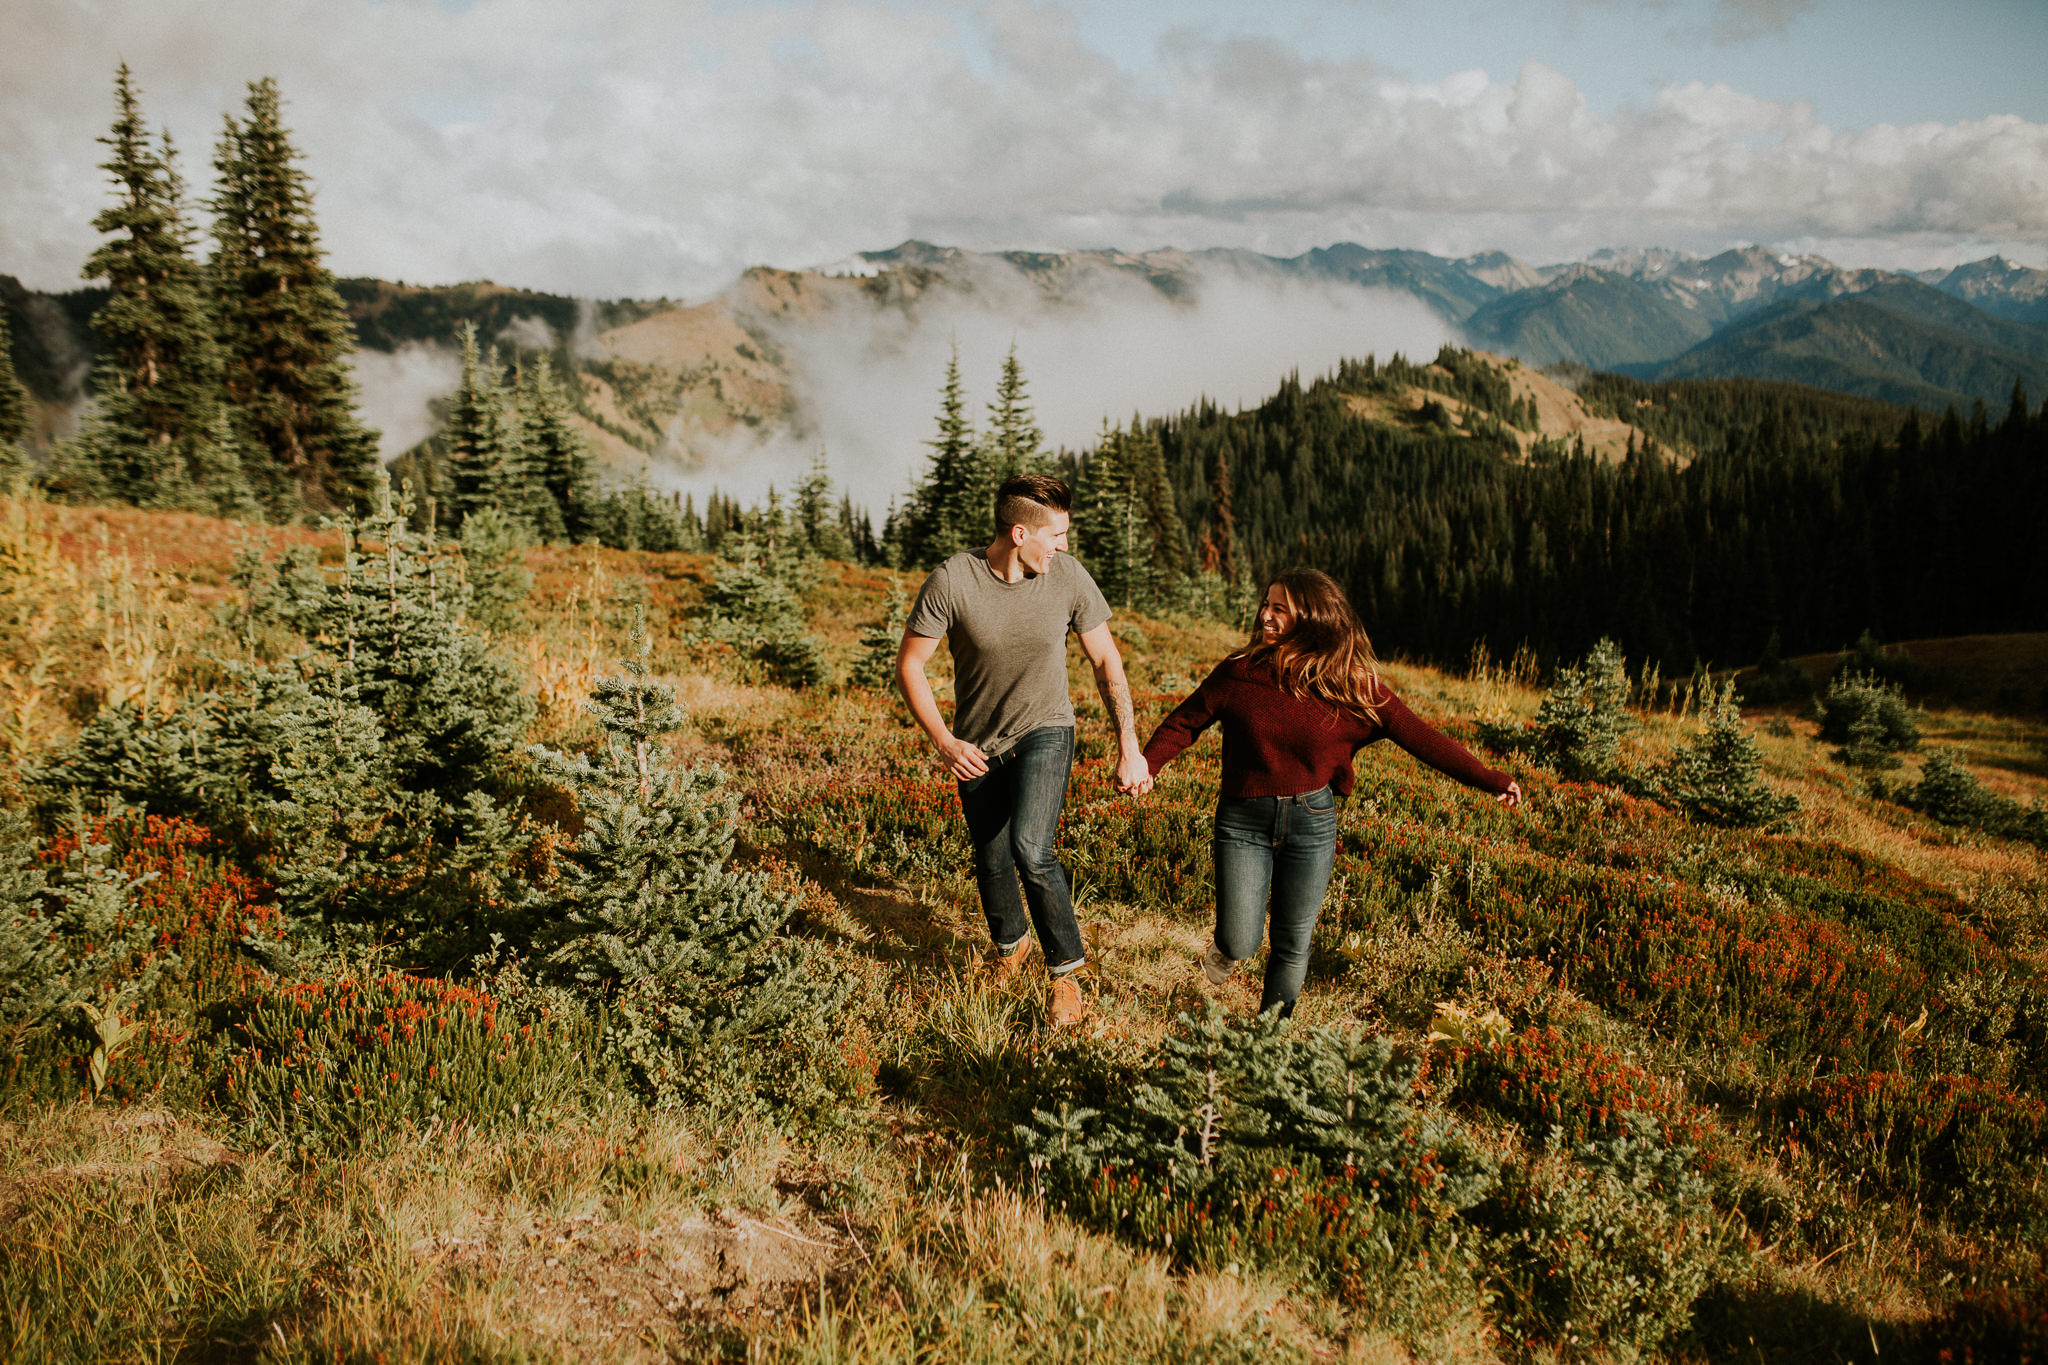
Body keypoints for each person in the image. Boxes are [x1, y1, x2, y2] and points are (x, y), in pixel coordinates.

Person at [1140, 568, 1522, 1019]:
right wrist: (1147, 765)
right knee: (1240, 939)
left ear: (1312, 618)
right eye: (1266, 605)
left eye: (1279, 609)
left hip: (1312, 822)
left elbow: (1422, 737)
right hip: (1243, 820)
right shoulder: (1239, 672)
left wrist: (1489, 778)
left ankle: (1270, 1040)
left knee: (1292, 942)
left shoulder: (1349, 684)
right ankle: (1226, 948)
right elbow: (1184, 722)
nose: (1265, 616)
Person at [895, 473, 1151, 1027]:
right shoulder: (952, 581)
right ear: (1019, 533)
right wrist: (944, 740)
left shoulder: (1068, 576)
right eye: (1056, 534)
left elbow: (1106, 660)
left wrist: (1129, 745)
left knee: (1031, 848)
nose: (1063, 545)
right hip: (976, 742)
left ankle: (1067, 974)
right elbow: (910, 664)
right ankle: (1011, 948)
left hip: (1046, 728)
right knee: (991, 856)